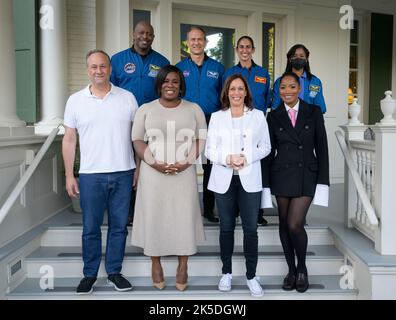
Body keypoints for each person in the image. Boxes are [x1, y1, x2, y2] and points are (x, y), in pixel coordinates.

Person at [62, 49, 138, 294]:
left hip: (123, 172)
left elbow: (137, 137)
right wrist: (69, 175)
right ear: (88, 70)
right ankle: (90, 274)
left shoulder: (127, 98)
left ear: (110, 68)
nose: (98, 71)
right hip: (91, 175)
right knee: (90, 228)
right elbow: (69, 139)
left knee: (119, 227)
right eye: (94, 67)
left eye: (103, 66)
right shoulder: (75, 100)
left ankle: (114, 272)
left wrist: (137, 168)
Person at [131, 65, 206, 291]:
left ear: (181, 85)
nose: (170, 85)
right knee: (154, 215)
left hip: (183, 172)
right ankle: (156, 263)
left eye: (175, 81)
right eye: (166, 81)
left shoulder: (194, 109)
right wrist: (154, 163)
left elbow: (201, 139)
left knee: (183, 216)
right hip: (153, 173)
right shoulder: (146, 109)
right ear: (159, 84)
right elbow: (137, 140)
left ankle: (183, 265)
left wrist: (186, 162)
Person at [262, 72, 329, 293]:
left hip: (306, 174)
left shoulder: (314, 112)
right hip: (281, 174)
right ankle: (291, 270)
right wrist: (265, 184)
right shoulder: (273, 116)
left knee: (294, 224)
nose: (287, 91)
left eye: (292, 87)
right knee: (283, 224)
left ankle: (302, 268)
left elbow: (322, 148)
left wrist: (323, 183)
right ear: (278, 90)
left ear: (299, 88)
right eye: (283, 87)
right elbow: (269, 152)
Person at [205, 74, 271, 297]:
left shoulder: (258, 116)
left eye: (240, 89)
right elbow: (209, 150)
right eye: (232, 89)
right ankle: (227, 273)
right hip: (224, 178)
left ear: (246, 92)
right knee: (226, 227)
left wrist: (246, 157)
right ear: (226, 92)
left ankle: (251, 276)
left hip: (249, 177)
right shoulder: (216, 117)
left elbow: (266, 147)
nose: (236, 93)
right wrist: (227, 158)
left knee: (251, 229)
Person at [110, 20, 169, 224]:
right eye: (141, 33)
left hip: (153, 122)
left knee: (150, 164)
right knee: (126, 165)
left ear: (153, 37)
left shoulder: (162, 61)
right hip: (124, 122)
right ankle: (125, 211)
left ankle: (145, 211)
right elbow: (110, 91)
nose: (145, 37)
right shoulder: (117, 60)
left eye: (149, 34)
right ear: (133, 34)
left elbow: (167, 91)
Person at [176, 26, 225, 223]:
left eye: (200, 39)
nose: (196, 43)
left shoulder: (218, 68)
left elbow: (225, 97)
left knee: (210, 166)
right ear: (187, 43)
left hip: (212, 123)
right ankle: (182, 208)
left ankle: (208, 209)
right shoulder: (179, 68)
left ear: (205, 42)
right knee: (183, 164)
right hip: (185, 121)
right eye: (192, 39)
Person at [223, 35, 271, 226]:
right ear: (237, 49)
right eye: (241, 47)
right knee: (233, 165)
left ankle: (256, 212)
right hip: (234, 122)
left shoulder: (263, 73)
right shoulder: (229, 72)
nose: (244, 50)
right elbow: (225, 97)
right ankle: (233, 210)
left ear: (253, 49)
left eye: (248, 47)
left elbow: (267, 99)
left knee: (256, 166)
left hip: (256, 124)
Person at [272, 44, 326, 113]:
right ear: (290, 59)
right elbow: (275, 107)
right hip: (285, 121)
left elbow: (321, 108)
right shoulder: (279, 81)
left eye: (301, 56)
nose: (298, 58)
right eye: (294, 56)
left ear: (306, 59)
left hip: (309, 121)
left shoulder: (315, 81)